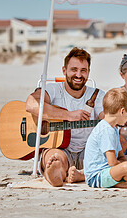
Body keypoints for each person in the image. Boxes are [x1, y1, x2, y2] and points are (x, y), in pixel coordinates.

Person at [25, 47, 105, 187]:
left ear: (88, 72)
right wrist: (68, 115)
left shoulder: (97, 95)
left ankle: (78, 175)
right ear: (64, 71)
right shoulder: (53, 90)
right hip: (60, 148)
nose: (78, 75)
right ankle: (57, 173)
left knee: (118, 145)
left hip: (88, 150)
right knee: (55, 158)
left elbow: (108, 118)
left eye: (83, 70)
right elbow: (31, 104)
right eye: (74, 69)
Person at [83, 88, 127, 188]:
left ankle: (121, 181)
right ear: (122, 111)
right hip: (97, 177)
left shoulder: (113, 129)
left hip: (110, 171)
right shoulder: (106, 130)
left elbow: (121, 157)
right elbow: (112, 162)